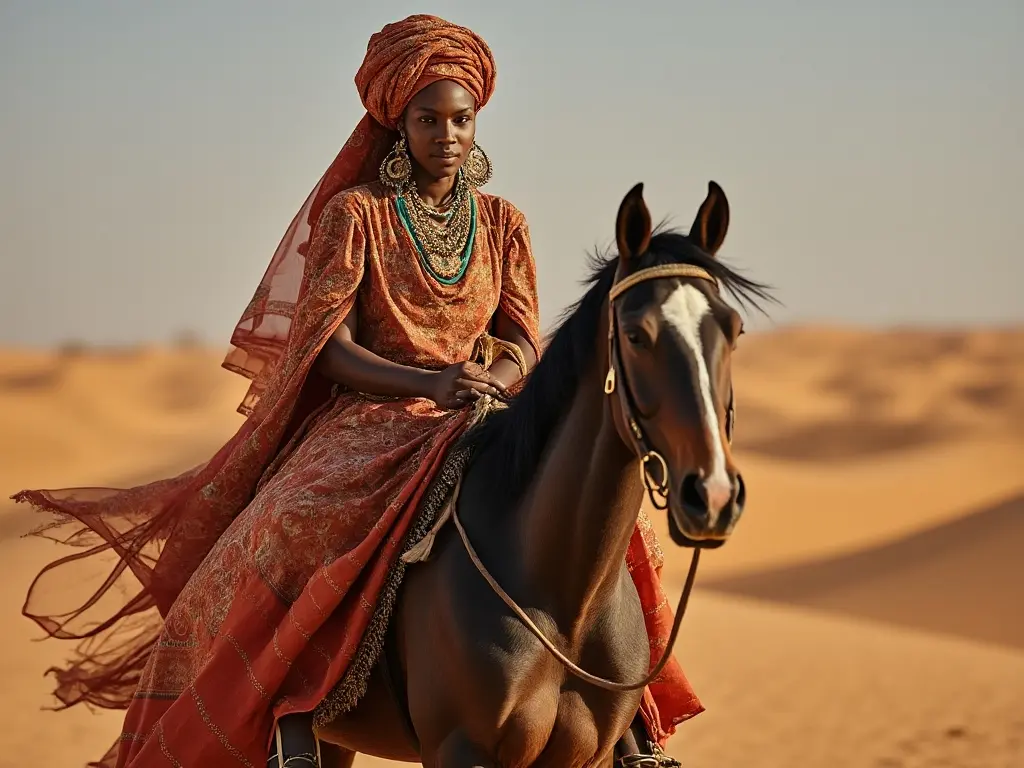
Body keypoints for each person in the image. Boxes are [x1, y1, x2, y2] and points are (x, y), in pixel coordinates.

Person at [13, 14, 702, 767]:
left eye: (461, 119)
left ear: (478, 124)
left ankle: (636, 724)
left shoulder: (504, 223)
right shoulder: (357, 216)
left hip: (484, 408)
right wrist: (430, 380)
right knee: (292, 517)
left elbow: (520, 335)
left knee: (601, 517)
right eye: (428, 119)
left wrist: (494, 381)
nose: (447, 135)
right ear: (397, 123)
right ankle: (287, 709)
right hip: (376, 416)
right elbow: (328, 349)